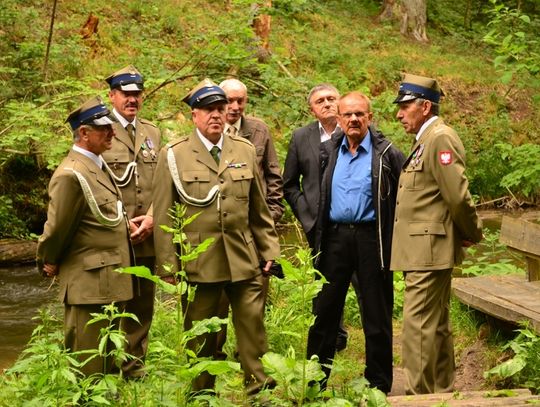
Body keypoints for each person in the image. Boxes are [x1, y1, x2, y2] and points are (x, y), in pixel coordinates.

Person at [152, 79, 280, 395]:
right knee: (201, 336)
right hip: (199, 262)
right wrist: (168, 266)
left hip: (244, 257)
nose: (216, 116)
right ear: (194, 115)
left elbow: (259, 210)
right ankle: (202, 394)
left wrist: (270, 250)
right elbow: (164, 215)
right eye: (209, 110)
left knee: (253, 331)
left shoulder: (245, 150)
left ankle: (258, 392)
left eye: (221, 109)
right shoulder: (174, 155)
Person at [306, 92, 405, 394]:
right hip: (335, 238)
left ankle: (377, 385)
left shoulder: (387, 153)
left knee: (376, 314)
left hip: (370, 239)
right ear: (338, 119)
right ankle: (313, 383)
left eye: (360, 114)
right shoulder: (330, 151)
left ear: (370, 118)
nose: (353, 119)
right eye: (347, 115)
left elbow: (405, 199)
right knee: (324, 312)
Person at [391, 73, 483, 395]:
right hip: (423, 248)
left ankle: (418, 396)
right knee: (436, 324)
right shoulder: (425, 140)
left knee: (416, 326)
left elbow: (456, 196)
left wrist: (472, 232)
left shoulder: (440, 138)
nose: (399, 114)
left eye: (405, 107)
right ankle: (442, 392)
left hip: (427, 250)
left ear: (425, 106)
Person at [36, 96, 133, 376]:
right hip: (89, 283)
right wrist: (48, 260)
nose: (112, 133)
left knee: (107, 365)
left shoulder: (95, 165)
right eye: (104, 129)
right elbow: (56, 229)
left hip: (108, 281)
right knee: (88, 367)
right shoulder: (72, 173)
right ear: (84, 133)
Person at [214, 78, 284, 359]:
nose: (234, 107)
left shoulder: (258, 130)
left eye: (240, 101)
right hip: (221, 232)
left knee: (254, 298)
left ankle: (250, 359)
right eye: (228, 101)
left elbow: (273, 177)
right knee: (217, 300)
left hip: (255, 233)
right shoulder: (209, 130)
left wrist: (272, 217)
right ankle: (213, 356)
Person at [102, 65, 161, 378]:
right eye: (126, 93)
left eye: (137, 93)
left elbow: (162, 179)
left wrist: (152, 216)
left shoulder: (152, 132)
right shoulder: (98, 128)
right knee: (111, 300)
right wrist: (122, 221)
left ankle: (134, 366)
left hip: (147, 232)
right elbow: (91, 180)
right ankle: (106, 367)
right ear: (112, 95)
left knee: (141, 302)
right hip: (114, 232)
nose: (132, 99)